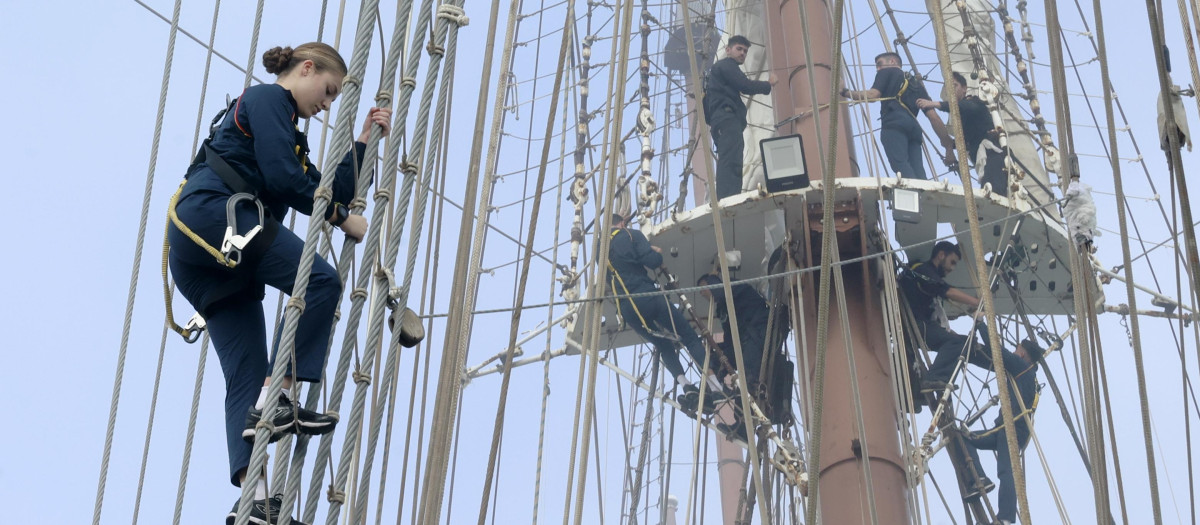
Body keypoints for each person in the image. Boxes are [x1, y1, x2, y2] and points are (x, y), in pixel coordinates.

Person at [167, 42, 393, 525]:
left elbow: (322, 182)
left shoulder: (289, 134)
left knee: (246, 376)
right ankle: (284, 396)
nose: (327, 103)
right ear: (306, 69)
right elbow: (285, 178)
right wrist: (336, 216)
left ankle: (255, 501)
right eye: (328, 90)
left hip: (210, 258)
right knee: (321, 282)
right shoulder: (269, 101)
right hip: (214, 218)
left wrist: (364, 143)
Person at [607, 213, 717, 400]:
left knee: (663, 344)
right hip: (646, 296)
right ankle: (716, 388)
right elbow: (652, 261)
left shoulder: (601, 250)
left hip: (628, 311)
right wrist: (655, 252)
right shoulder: (630, 234)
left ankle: (686, 386)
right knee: (688, 336)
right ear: (623, 223)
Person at [961, 338, 1044, 525]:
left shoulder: (1022, 367)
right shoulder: (1024, 373)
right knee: (963, 438)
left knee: (1006, 470)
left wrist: (981, 322)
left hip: (1013, 429)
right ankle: (980, 478)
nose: (1015, 352)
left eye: (1017, 349)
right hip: (1004, 428)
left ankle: (1006, 518)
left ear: (1022, 353)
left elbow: (997, 351)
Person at [841, 52, 953, 180]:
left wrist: (845, 92)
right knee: (919, 172)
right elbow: (934, 118)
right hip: (914, 128)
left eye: (879, 64)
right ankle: (923, 196)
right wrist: (948, 147)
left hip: (894, 124)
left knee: (901, 168)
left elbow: (872, 95)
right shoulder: (916, 84)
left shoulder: (886, 72)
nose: (877, 69)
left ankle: (913, 194)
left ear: (893, 62)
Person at [898, 241, 986, 392]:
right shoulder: (922, 269)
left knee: (965, 342)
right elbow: (947, 291)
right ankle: (935, 378)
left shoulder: (921, 271)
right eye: (952, 262)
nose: (952, 268)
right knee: (956, 343)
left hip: (924, 326)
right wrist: (979, 302)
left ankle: (942, 381)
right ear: (941, 255)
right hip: (915, 326)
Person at [704, 35, 777, 199]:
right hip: (727, 119)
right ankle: (728, 197)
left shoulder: (719, 72)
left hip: (723, 121)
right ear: (728, 50)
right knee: (731, 160)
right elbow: (746, 86)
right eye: (739, 49)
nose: (743, 53)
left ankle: (729, 195)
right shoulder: (726, 65)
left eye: (745, 51)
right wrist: (768, 84)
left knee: (731, 158)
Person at [917, 72, 1009, 195]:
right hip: (984, 159)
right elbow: (967, 140)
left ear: (964, 88)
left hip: (993, 156)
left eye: (954, 86)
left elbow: (968, 107)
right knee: (990, 191)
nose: (951, 91)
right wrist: (950, 147)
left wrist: (934, 104)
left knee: (993, 193)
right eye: (948, 89)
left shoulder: (974, 102)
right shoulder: (961, 119)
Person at [695, 273, 769, 388]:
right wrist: (714, 346)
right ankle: (713, 390)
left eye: (703, 288)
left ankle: (751, 394)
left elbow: (720, 291)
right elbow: (729, 340)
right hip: (740, 345)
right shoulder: (722, 308)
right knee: (709, 360)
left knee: (749, 380)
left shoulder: (736, 288)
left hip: (756, 337)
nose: (701, 293)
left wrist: (713, 280)